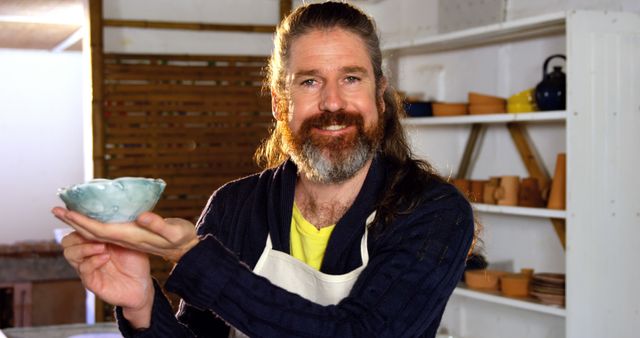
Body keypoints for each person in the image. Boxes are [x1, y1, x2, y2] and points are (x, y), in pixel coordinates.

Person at [53, 2, 475, 337]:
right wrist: (141, 305)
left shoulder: (431, 212)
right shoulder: (235, 206)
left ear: (380, 97)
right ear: (279, 103)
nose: (331, 103)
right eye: (309, 81)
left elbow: (359, 332)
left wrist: (195, 259)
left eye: (351, 78)